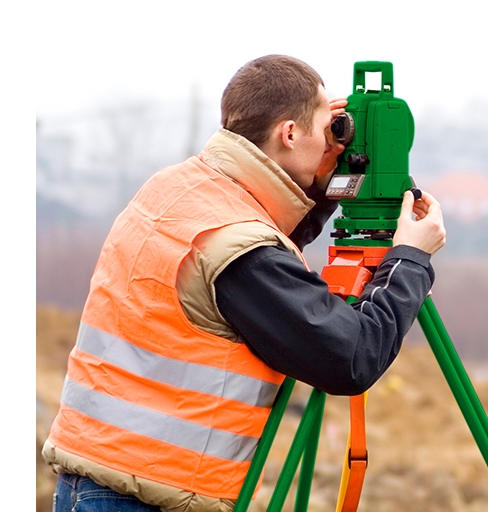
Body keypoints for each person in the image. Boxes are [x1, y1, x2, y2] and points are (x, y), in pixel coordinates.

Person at [41, 55, 446, 512]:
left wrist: (321, 183)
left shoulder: (178, 189)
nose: (334, 138)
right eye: (324, 127)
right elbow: (351, 357)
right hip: (150, 495)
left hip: (102, 477)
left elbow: (254, 246)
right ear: (289, 134)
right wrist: (411, 259)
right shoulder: (240, 250)